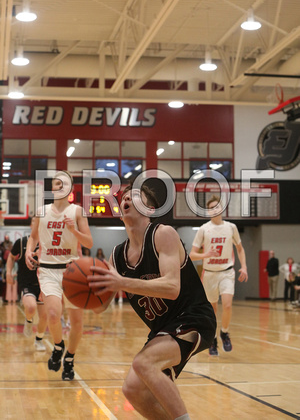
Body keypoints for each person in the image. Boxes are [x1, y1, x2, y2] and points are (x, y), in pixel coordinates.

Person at [88, 184, 216, 420]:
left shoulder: (162, 233)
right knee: (133, 389)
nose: (125, 198)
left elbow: (172, 288)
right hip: (163, 329)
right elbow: (99, 307)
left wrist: (122, 283)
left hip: (194, 317)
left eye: (134, 195)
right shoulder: (117, 255)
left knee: (144, 363)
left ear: (150, 208)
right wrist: (75, 292)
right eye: (123, 197)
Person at [25, 170, 93, 380]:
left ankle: (70, 359)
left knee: (77, 322)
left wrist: (74, 232)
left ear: (70, 189)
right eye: (56, 183)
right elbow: (33, 238)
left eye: (64, 183)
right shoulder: (41, 211)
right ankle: (58, 345)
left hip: (72, 271)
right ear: (52, 188)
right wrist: (29, 250)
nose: (59, 186)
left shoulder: (78, 211)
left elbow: (89, 243)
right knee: (53, 314)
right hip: (47, 270)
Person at [189, 195, 248, 356]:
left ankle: (225, 332)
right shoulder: (203, 229)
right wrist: (205, 254)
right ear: (208, 212)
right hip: (209, 274)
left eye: (216, 207)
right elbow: (192, 255)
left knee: (227, 305)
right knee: (212, 309)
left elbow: (240, 249)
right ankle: (213, 339)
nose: (214, 210)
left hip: (227, 272)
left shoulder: (231, 227)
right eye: (211, 208)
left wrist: (244, 267)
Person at [6, 218, 48, 350]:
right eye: (35, 222)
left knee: (44, 316)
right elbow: (11, 257)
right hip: (27, 283)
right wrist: (8, 272)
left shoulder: (48, 244)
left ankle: (38, 340)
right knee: (30, 307)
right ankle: (29, 320)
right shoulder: (22, 242)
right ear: (31, 225)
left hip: (44, 284)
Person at [0, 234, 13, 304]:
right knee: (4, 281)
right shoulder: (2, 244)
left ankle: (10, 297)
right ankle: (4, 297)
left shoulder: (11, 244)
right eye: (6, 237)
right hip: (4, 263)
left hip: (11, 263)